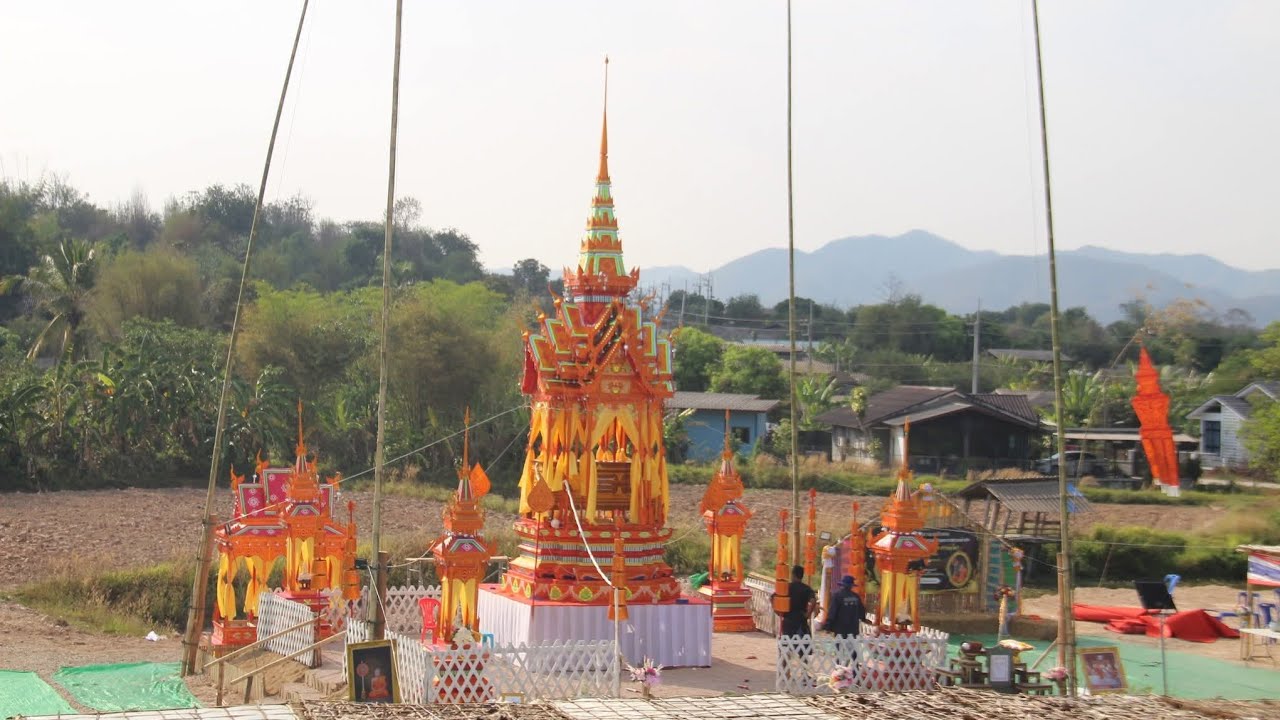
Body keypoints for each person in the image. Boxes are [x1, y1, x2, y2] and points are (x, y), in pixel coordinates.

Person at [779, 564, 817, 638]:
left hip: (788, 619)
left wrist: (779, 612)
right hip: (801, 618)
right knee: (803, 644)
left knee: (787, 645)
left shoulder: (786, 587)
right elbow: (813, 600)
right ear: (802, 576)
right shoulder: (806, 588)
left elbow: (773, 598)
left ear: (793, 575)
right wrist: (808, 614)